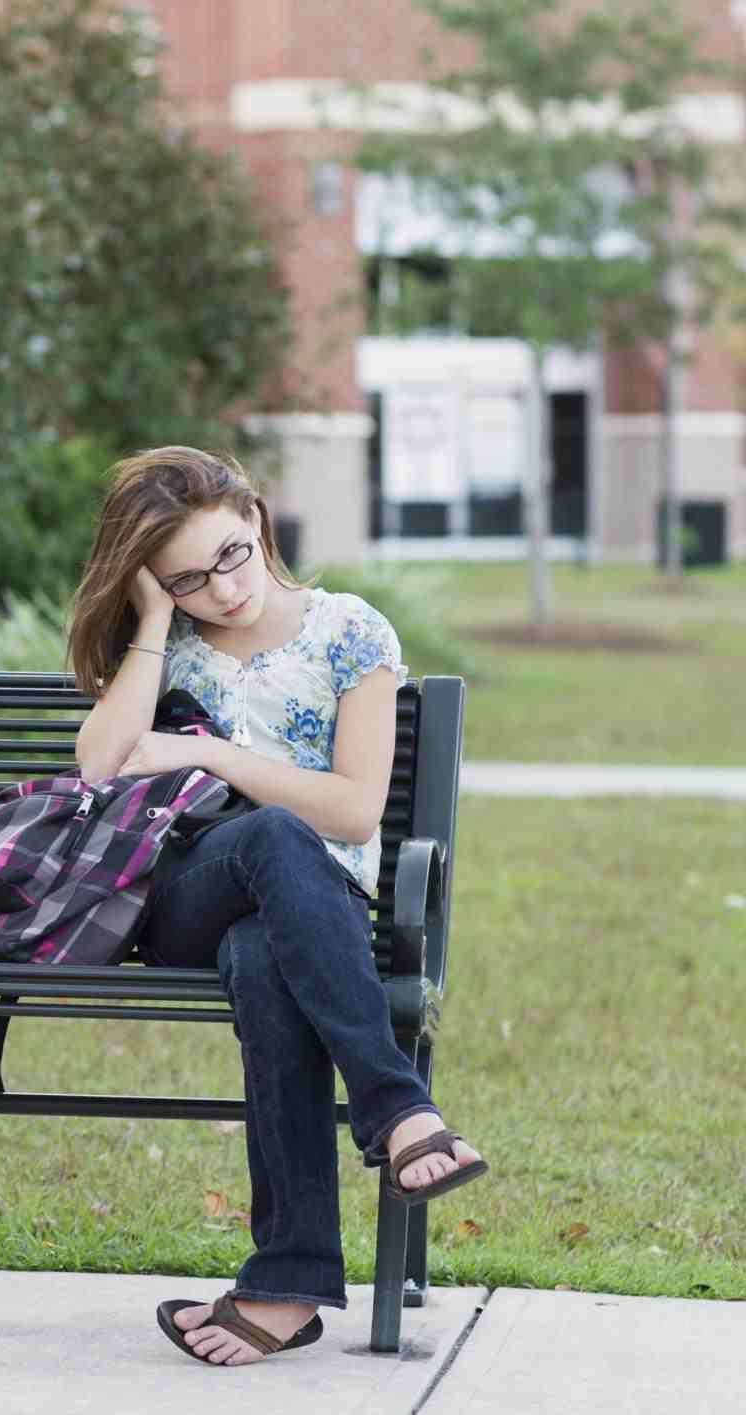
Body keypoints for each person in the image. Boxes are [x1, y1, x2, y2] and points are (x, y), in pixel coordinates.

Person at [68, 447, 488, 1367]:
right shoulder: (166, 643)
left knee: (268, 949)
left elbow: (352, 809)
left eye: (229, 554)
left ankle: (286, 1285)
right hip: (183, 900)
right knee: (268, 837)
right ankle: (398, 1108)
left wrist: (211, 756)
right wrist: (147, 619)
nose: (221, 588)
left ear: (256, 520)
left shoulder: (349, 633)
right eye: (185, 577)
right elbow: (99, 766)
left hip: (308, 913)